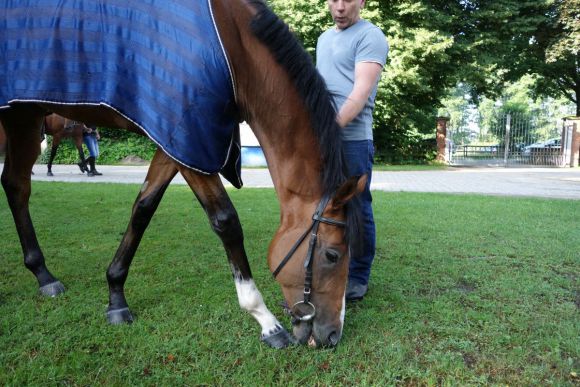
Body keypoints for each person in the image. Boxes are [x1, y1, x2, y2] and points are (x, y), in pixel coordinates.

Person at [317, 0, 389, 301]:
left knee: (358, 208)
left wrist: (329, 130)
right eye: (334, 0)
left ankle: (359, 275)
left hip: (353, 141)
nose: (340, 7)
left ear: (361, 1)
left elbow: (360, 94)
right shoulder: (323, 39)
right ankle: (323, 269)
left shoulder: (370, 36)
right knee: (323, 209)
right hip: (321, 138)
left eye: (348, 0)